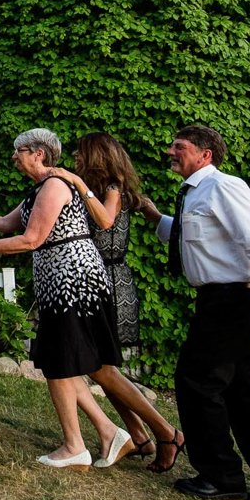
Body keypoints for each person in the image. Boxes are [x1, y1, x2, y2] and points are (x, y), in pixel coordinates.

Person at [0, 129, 182, 471]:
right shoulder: (40, 189)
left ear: (38, 153)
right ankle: (131, 434)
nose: (14, 157)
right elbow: (4, 223)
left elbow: (31, 239)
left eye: (19, 151)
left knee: (64, 361)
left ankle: (79, 445)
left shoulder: (56, 186)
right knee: (93, 367)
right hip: (61, 286)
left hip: (75, 284)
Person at [138, 124, 250, 500]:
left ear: (205, 154)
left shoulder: (223, 186)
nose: (170, 151)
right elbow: (195, 237)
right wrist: (154, 216)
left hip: (232, 300)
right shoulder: (194, 193)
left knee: (197, 382)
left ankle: (221, 476)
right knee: (242, 393)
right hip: (219, 300)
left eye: (179, 146)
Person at [46, 132, 154, 459]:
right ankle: (137, 435)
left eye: (81, 154)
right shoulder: (99, 188)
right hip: (95, 276)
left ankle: (161, 431)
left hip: (109, 278)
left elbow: (105, 221)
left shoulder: (111, 189)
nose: (76, 158)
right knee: (103, 365)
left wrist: (78, 183)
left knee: (103, 367)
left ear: (96, 156)